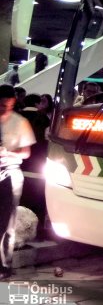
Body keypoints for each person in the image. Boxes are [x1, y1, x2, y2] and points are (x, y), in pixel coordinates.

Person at [0, 84, 36, 279]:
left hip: (10, 172)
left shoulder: (20, 122)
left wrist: (8, 153)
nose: (4, 109)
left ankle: (4, 265)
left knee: (7, 221)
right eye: (0, 105)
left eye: (8, 105)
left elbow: (26, 152)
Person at [19, 94, 51, 234]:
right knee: (36, 199)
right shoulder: (44, 119)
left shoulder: (17, 117)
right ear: (38, 104)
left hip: (18, 165)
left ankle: (17, 229)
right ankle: (36, 229)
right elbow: (48, 140)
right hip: (38, 166)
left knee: (20, 200)